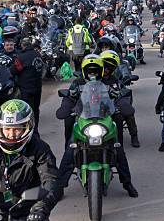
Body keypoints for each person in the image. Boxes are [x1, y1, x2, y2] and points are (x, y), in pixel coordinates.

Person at [55, 55, 138, 199]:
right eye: (89, 71)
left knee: (118, 150)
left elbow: (119, 96)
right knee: (70, 151)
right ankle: (59, 187)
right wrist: (66, 106)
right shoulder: (77, 83)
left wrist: (122, 104)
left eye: (95, 70)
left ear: (100, 70)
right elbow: (70, 97)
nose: (92, 74)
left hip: (104, 120)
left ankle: (127, 183)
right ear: (84, 71)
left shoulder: (110, 83)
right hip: (83, 120)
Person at [101, 50, 140, 148]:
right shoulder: (94, 73)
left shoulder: (121, 66)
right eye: (104, 66)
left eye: (109, 67)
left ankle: (133, 136)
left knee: (127, 112)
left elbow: (125, 73)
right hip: (98, 103)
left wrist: (126, 78)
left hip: (116, 99)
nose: (106, 69)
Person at [11, 38, 43, 124]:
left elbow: (14, 70)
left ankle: (28, 129)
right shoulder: (38, 55)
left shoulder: (21, 57)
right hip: (38, 86)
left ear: (22, 45)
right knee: (36, 109)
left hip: (26, 87)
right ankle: (35, 129)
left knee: (26, 109)